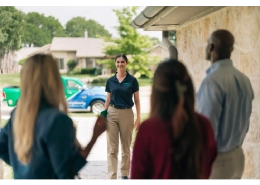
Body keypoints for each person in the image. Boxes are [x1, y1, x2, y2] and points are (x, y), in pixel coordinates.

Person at [0, 54, 106, 180]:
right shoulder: (58, 121)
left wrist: (24, 168)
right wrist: (95, 136)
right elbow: (66, 172)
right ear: (54, 79)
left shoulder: (18, 115)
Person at [131, 59, 217, 180]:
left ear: (156, 92)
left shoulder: (149, 130)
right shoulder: (204, 125)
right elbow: (207, 169)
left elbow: (137, 177)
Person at [196, 29, 254, 180]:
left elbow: (207, 131)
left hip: (218, 162)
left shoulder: (212, 81)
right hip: (238, 157)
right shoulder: (244, 79)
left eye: (208, 43)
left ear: (211, 47)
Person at [104, 54, 141, 180]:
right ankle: (112, 177)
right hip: (112, 113)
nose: (120, 64)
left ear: (127, 63)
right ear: (115, 63)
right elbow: (108, 99)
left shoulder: (132, 80)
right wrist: (103, 116)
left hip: (127, 113)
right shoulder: (110, 81)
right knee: (112, 148)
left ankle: (124, 175)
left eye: (122, 62)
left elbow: (137, 100)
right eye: (118, 62)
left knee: (126, 147)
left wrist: (138, 117)